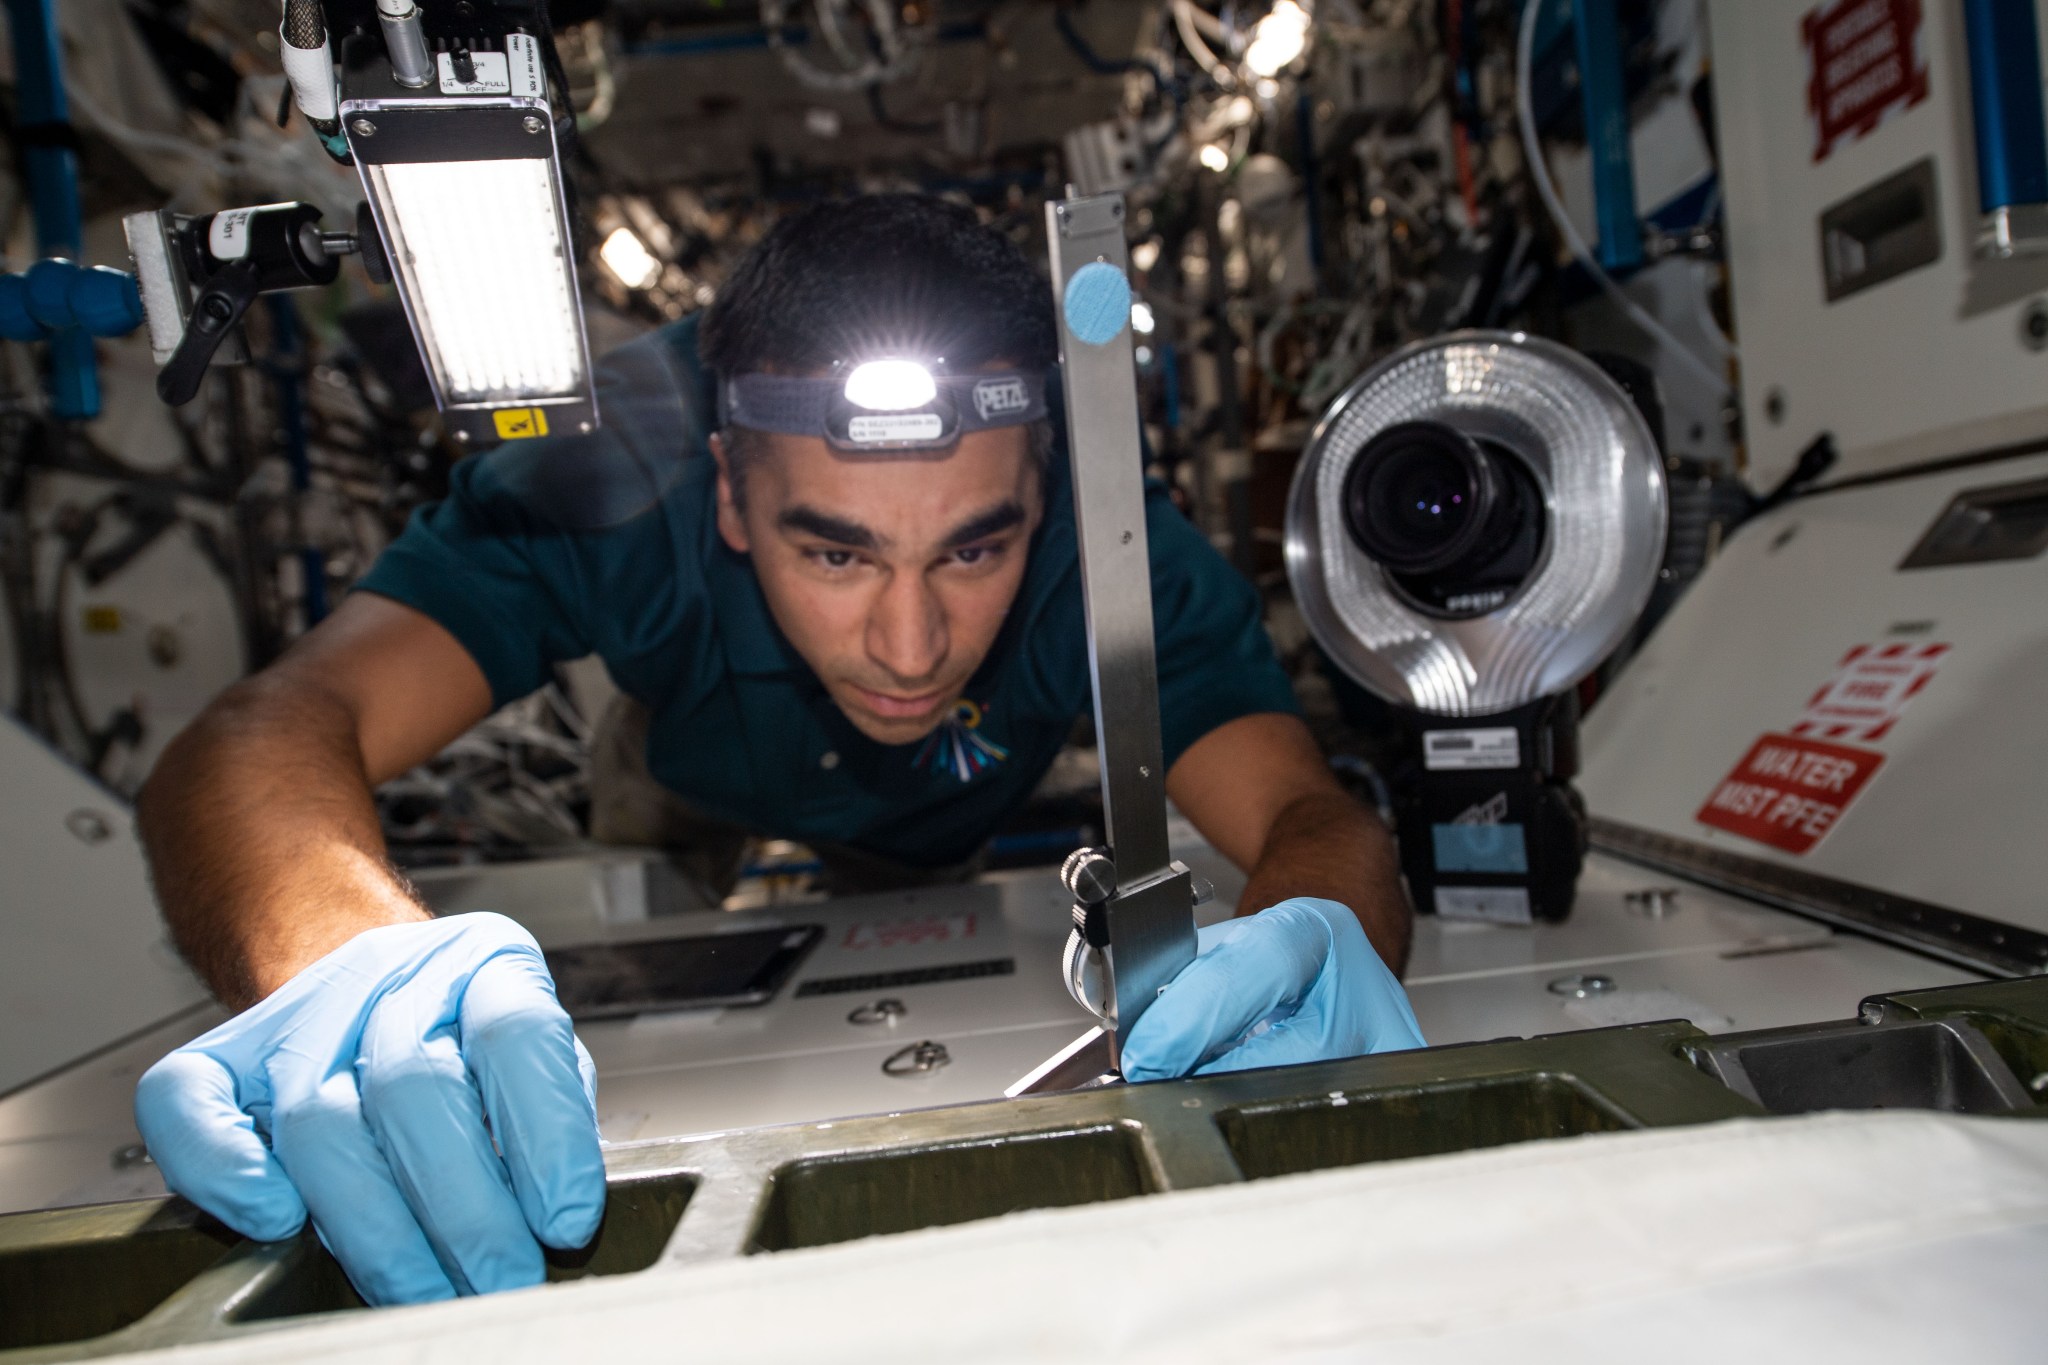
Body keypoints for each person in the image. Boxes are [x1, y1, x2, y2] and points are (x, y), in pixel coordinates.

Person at [131, 195, 1422, 1307]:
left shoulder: (1109, 530)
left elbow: (1308, 819)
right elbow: (270, 725)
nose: (911, 645)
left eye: (977, 547)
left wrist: (1314, 937)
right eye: (836, 549)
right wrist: (353, 963)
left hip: (967, 806)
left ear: (1044, 487)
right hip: (688, 778)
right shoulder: (613, 476)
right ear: (729, 489)